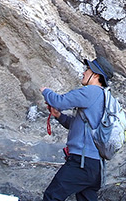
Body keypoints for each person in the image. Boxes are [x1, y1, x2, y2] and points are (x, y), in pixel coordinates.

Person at [40, 58, 115, 201]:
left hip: (82, 162)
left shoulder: (91, 91)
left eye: (87, 70)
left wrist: (45, 91)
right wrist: (58, 116)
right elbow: (77, 125)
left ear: (96, 75)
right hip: (96, 165)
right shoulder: (104, 97)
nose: (84, 72)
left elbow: (59, 101)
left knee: (52, 196)